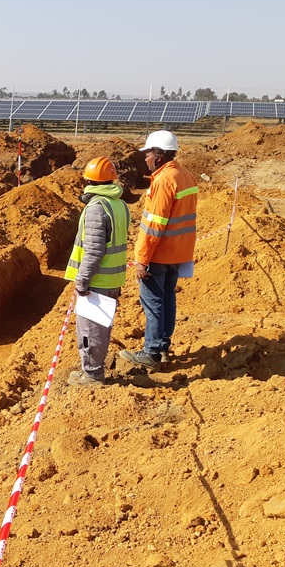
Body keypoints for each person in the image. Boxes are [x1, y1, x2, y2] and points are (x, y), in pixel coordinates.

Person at [119, 129, 198, 371]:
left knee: (153, 302)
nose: (145, 159)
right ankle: (163, 346)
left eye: (148, 154)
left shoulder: (163, 180)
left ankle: (151, 352)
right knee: (167, 298)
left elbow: (154, 225)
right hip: (178, 252)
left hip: (159, 253)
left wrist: (142, 260)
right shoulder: (185, 175)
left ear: (160, 156)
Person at [64, 156, 131, 386]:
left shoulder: (96, 208)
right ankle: (94, 369)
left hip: (97, 281)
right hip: (113, 279)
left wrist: (82, 279)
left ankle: (92, 374)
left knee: (91, 330)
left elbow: (93, 250)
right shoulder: (119, 205)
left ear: (90, 182)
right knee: (101, 328)